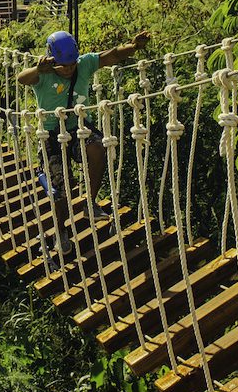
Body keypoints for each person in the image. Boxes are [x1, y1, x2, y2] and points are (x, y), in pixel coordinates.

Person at [17, 29, 153, 259]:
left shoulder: (84, 64)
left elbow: (111, 56)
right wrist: (39, 69)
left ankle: (89, 204)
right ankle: (60, 229)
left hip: (79, 127)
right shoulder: (43, 74)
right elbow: (21, 79)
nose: (69, 69)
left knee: (100, 147)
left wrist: (134, 46)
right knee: (62, 189)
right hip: (51, 134)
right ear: (52, 60)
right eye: (64, 65)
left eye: (72, 64)